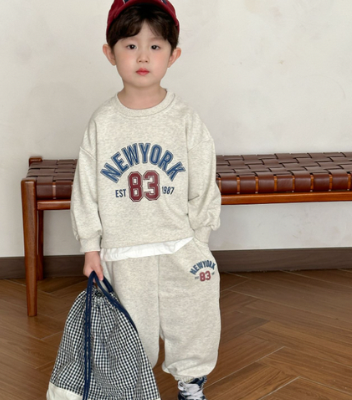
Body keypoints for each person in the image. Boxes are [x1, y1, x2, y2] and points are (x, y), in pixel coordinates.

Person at [70, 0, 222, 398]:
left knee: (194, 319)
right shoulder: (103, 123)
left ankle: (191, 383)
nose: (142, 56)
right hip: (124, 251)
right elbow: (86, 189)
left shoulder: (185, 119)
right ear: (110, 53)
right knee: (130, 333)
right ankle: (133, 388)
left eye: (155, 46)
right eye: (130, 45)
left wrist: (200, 237)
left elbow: (204, 181)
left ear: (173, 55)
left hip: (180, 244)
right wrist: (91, 248)